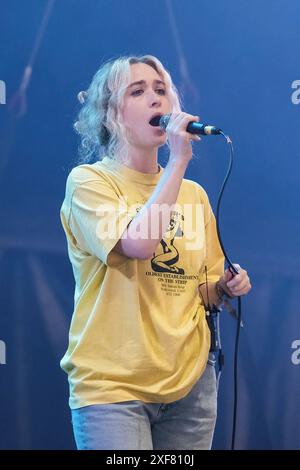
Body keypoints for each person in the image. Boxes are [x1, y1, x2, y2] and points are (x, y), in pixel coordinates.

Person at [60, 54, 251, 450]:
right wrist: (179, 160)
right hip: (115, 388)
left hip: (190, 386)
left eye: (161, 90)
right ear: (111, 113)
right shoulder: (89, 182)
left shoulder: (194, 196)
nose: (155, 99)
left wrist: (227, 286)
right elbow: (138, 244)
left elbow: (202, 289)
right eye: (138, 91)